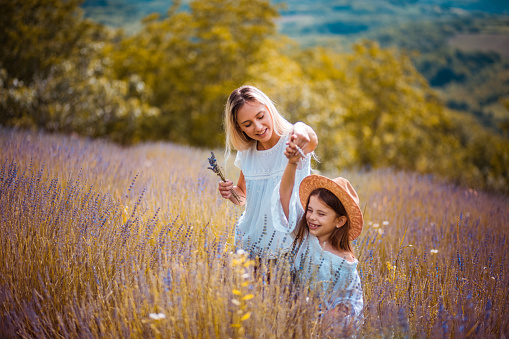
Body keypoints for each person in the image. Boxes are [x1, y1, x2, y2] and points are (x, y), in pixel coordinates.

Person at [271, 139, 364, 329]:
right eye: (310, 210)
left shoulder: (344, 262)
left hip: (320, 326)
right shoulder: (305, 235)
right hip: (289, 316)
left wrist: (323, 321)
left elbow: (350, 303)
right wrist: (292, 163)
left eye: (321, 214)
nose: (312, 217)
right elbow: (285, 195)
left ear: (340, 221)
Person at [218, 85, 318, 259]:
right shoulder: (247, 152)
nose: (258, 127)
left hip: (290, 246)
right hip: (250, 245)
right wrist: (230, 193)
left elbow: (311, 139)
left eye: (260, 116)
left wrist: (301, 127)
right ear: (239, 128)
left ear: (269, 109)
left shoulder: (292, 142)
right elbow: (243, 197)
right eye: (247, 124)